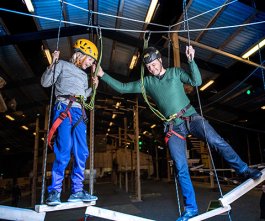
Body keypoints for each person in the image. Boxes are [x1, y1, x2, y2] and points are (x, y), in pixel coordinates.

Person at [93, 45, 262, 220]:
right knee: (181, 167)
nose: (152, 68)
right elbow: (123, 87)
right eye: (148, 66)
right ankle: (191, 208)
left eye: (153, 64)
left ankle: (243, 169)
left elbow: (196, 82)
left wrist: (191, 60)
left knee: (216, 141)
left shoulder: (174, 73)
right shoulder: (147, 83)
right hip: (173, 127)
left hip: (191, 117)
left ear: (159, 60)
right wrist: (102, 75)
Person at [41, 39, 99, 206]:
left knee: (82, 151)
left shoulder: (83, 75)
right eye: (89, 59)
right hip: (63, 108)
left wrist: (93, 87)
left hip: (79, 111)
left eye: (92, 62)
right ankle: (55, 191)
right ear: (80, 55)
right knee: (64, 149)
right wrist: (53, 63)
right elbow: (45, 82)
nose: (90, 64)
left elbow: (83, 94)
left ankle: (77, 190)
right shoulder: (62, 65)